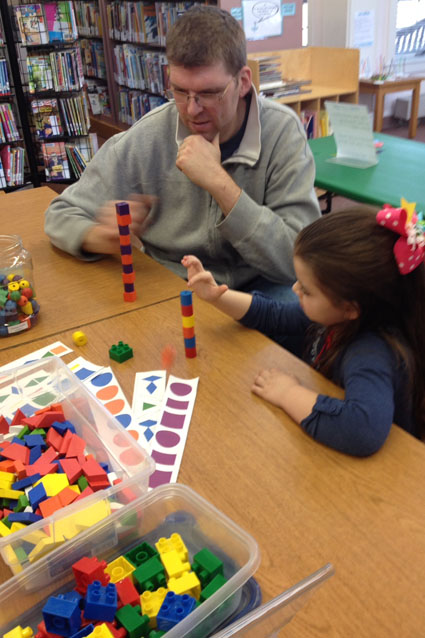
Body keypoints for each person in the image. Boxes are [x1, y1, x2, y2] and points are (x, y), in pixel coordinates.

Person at [44, 6, 320, 300]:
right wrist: (100, 236)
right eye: (179, 91)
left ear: (242, 82)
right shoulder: (150, 134)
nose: (191, 109)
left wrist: (220, 184)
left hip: (259, 285)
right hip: (174, 283)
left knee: (299, 311)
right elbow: (60, 214)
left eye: (209, 93)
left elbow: (299, 262)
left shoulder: (282, 131)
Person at [182, 205, 425, 456]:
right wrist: (216, 296)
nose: (295, 289)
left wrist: (289, 393)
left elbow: (362, 431)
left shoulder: (371, 353)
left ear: (350, 308)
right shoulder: (337, 315)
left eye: (307, 290)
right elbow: (273, 315)